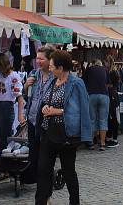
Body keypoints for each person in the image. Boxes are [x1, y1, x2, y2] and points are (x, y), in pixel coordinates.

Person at [34, 50, 92, 205]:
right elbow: (44, 100)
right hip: (47, 132)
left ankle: (74, 202)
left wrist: (56, 111)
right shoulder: (52, 82)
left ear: (61, 67)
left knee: (68, 172)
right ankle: (42, 201)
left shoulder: (76, 83)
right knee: (43, 170)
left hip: (66, 134)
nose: (50, 68)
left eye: (52, 66)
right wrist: (45, 108)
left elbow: (82, 108)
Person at [24, 46, 55, 185]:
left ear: (49, 60)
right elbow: (25, 96)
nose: (38, 61)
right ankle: (34, 176)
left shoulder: (55, 76)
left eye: (41, 59)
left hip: (47, 120)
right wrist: (25, 86)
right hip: (32, 118)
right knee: (33, 151)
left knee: (46, 152)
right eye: (37, 58)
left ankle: (45, 178)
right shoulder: (33, 74)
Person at [0, 52, 26, 152]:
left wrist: (20, 115)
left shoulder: (13, 76)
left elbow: (19, 96)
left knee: (5, 136)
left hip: (7, 106)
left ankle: (6, 160)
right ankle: (3, 157)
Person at [82, 58, 109, 151]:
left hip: (92, 95)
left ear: (93, 64)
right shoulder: (105, 69)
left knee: (92, 119)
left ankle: (91, 143)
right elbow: (108, 82)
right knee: (103, 120)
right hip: (104, 95)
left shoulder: (89, 69)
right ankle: (102, 143)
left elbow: (83, 81)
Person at [105, 57, 121, 147]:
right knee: (111, 117)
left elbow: (111, 84)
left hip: (112, 96)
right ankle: (111, 137)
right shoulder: (114, 71)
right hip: (113, 95)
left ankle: (114, 139)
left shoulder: (112, 72)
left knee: (113, 117)